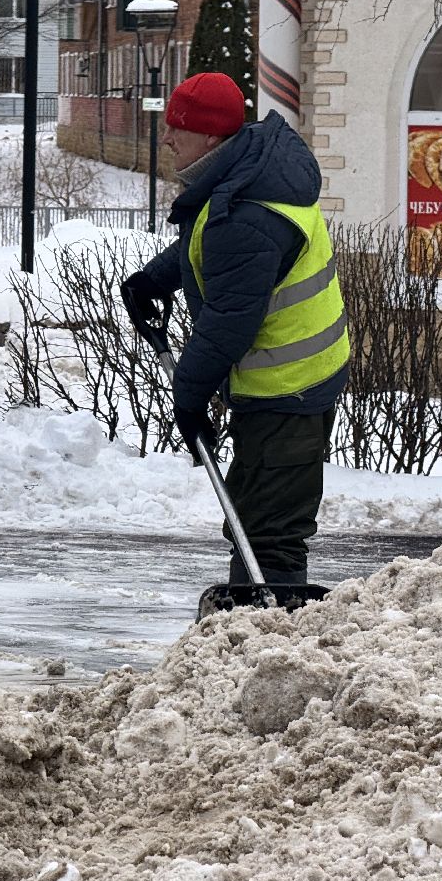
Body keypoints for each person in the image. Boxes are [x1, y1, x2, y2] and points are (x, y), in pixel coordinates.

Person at [121, 72, 349, 588]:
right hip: (294, 375)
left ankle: (274, 630)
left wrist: (189, 400)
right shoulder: (248, 176)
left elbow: (229, 323)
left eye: (176, 127)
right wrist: (154, 280)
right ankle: (254, 623)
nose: (167, 138)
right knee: (252, 510)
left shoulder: (246, 213)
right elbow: (210, 245)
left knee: (269, 528)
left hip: (289, 384)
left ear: (209, 136)